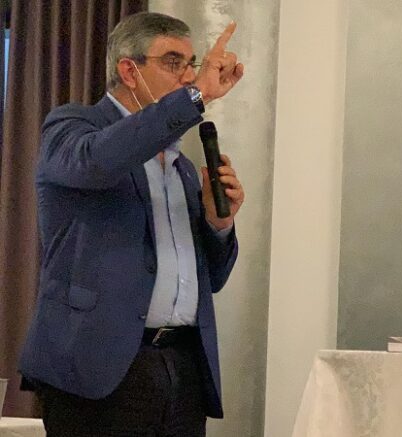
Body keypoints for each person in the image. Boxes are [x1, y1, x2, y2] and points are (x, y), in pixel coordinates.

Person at [18, 12, 245, 436]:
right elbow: (100, 162)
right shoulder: (72, 128)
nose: (187, 76)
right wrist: (196, 96)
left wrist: (220, 223)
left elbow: (211, 279)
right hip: (99, 370)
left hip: (182, 368)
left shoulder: (182, 168)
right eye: (173, 63)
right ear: (129, 70)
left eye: (191, 64)